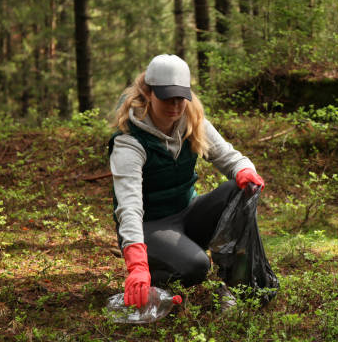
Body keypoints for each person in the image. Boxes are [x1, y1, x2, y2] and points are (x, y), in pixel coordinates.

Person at [109, 54, 265, 310]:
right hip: (151, 227)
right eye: (166, 97)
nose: (175, 104)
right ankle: (154, 279)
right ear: (148, 93)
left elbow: (230, 157)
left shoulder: (192, 122)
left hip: (187, 215)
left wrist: (245, 171)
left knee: (239, 189)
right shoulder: (129, 142)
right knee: (195, 267)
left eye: (181, 97)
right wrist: (137, 263)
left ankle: (236, 284)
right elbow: (129, 207)